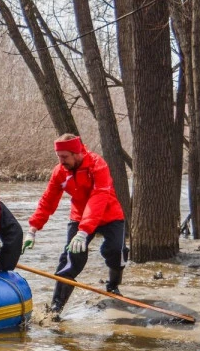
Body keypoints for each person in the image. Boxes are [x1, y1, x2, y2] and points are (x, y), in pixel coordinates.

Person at [22, 134, 127, 316]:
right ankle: (56, 308)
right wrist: (33, 229)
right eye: (58, 157)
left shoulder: (97, 164)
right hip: (79, 217)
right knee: (71, 258)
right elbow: (48, 201)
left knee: (117, 251)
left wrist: (84, 232)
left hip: (109, 214)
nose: (61, 161)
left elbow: (99, 197)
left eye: (64, 157)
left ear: (77, 153)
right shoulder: (60, 172)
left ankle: (113, 286)